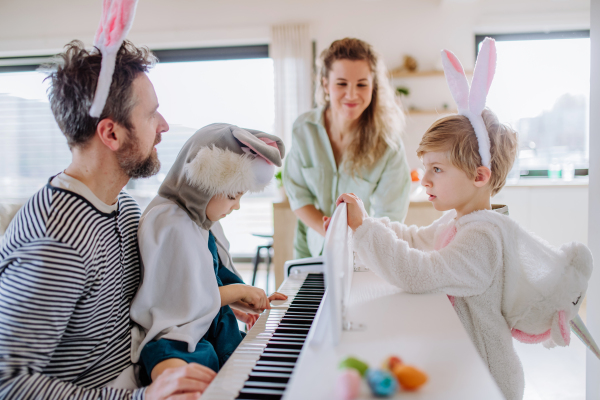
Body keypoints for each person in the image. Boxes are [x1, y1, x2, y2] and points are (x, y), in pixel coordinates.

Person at [332, 40, 593, 400]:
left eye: (437, 169)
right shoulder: (461, 221)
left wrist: (363, 230)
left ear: (479, 176)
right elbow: (413, 239)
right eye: (426, 167)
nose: (425, 180)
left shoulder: (482, 238)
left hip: (487, 381)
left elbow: (419, 273)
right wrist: (366, 224)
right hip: (465, 368)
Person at [0, 40, 216, 399]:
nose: (163, 125)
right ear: (111, 134)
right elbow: (8, 383)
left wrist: (216, 296)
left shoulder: (125, 208)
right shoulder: (55, 242)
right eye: (151, 115)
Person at [130, 123, 288, 381]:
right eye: (232, 195)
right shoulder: (168, 221)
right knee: (193, 367)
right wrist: (238, 291)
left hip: (207, 326)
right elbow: (177, 301)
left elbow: (211, 281)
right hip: (174, 338)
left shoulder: (201, 223)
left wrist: (241, 301)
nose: (236, 206)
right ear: (203, 185)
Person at [283, 37, 411, 259]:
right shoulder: (304, 129)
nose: (352, 95)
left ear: (373, 87)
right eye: (341, 83)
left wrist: (351, 241)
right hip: (311, 250)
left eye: (362, 84)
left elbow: (390, 216)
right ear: (325, 84)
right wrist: (329, 231)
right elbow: (298, 195)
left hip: (363, 257)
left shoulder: (388, 143)